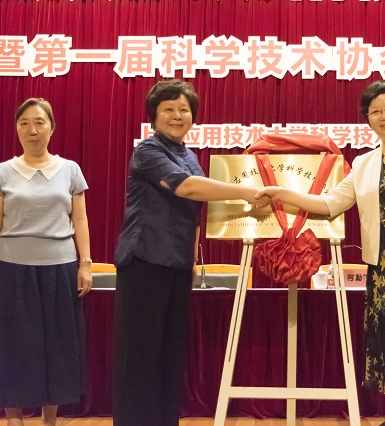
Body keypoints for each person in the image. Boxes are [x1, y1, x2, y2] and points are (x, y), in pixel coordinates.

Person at [256, 80, 385, 426]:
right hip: (384, 272)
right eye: (375, 111)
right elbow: (330, 203)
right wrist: (281, 193)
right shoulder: (364, 162)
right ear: (367, 118)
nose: (384, 116)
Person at [112, 79, 269, 426]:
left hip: (178, 264)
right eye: (168, 109)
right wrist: (246, 191)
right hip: (144, 261)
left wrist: (194, 260)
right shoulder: (147, 152)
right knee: (140, 355)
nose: (177, 115)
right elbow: (187, 188)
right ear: (154, 116)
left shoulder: (190, 157)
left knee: (170, 353)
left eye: (184, 109)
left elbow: (196, 211)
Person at [0, 98, 92, 426]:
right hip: (12, 269)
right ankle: (14, 418)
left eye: (39, 122)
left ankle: (49, 419)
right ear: (17, 129)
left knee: (57, 345)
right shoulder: (1, 173)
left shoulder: (70, 170)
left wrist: (85, 263)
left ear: (52, 128)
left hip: (60, 269)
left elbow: (80, 220)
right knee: (12, 344)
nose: (32, 129)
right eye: (24, 123)